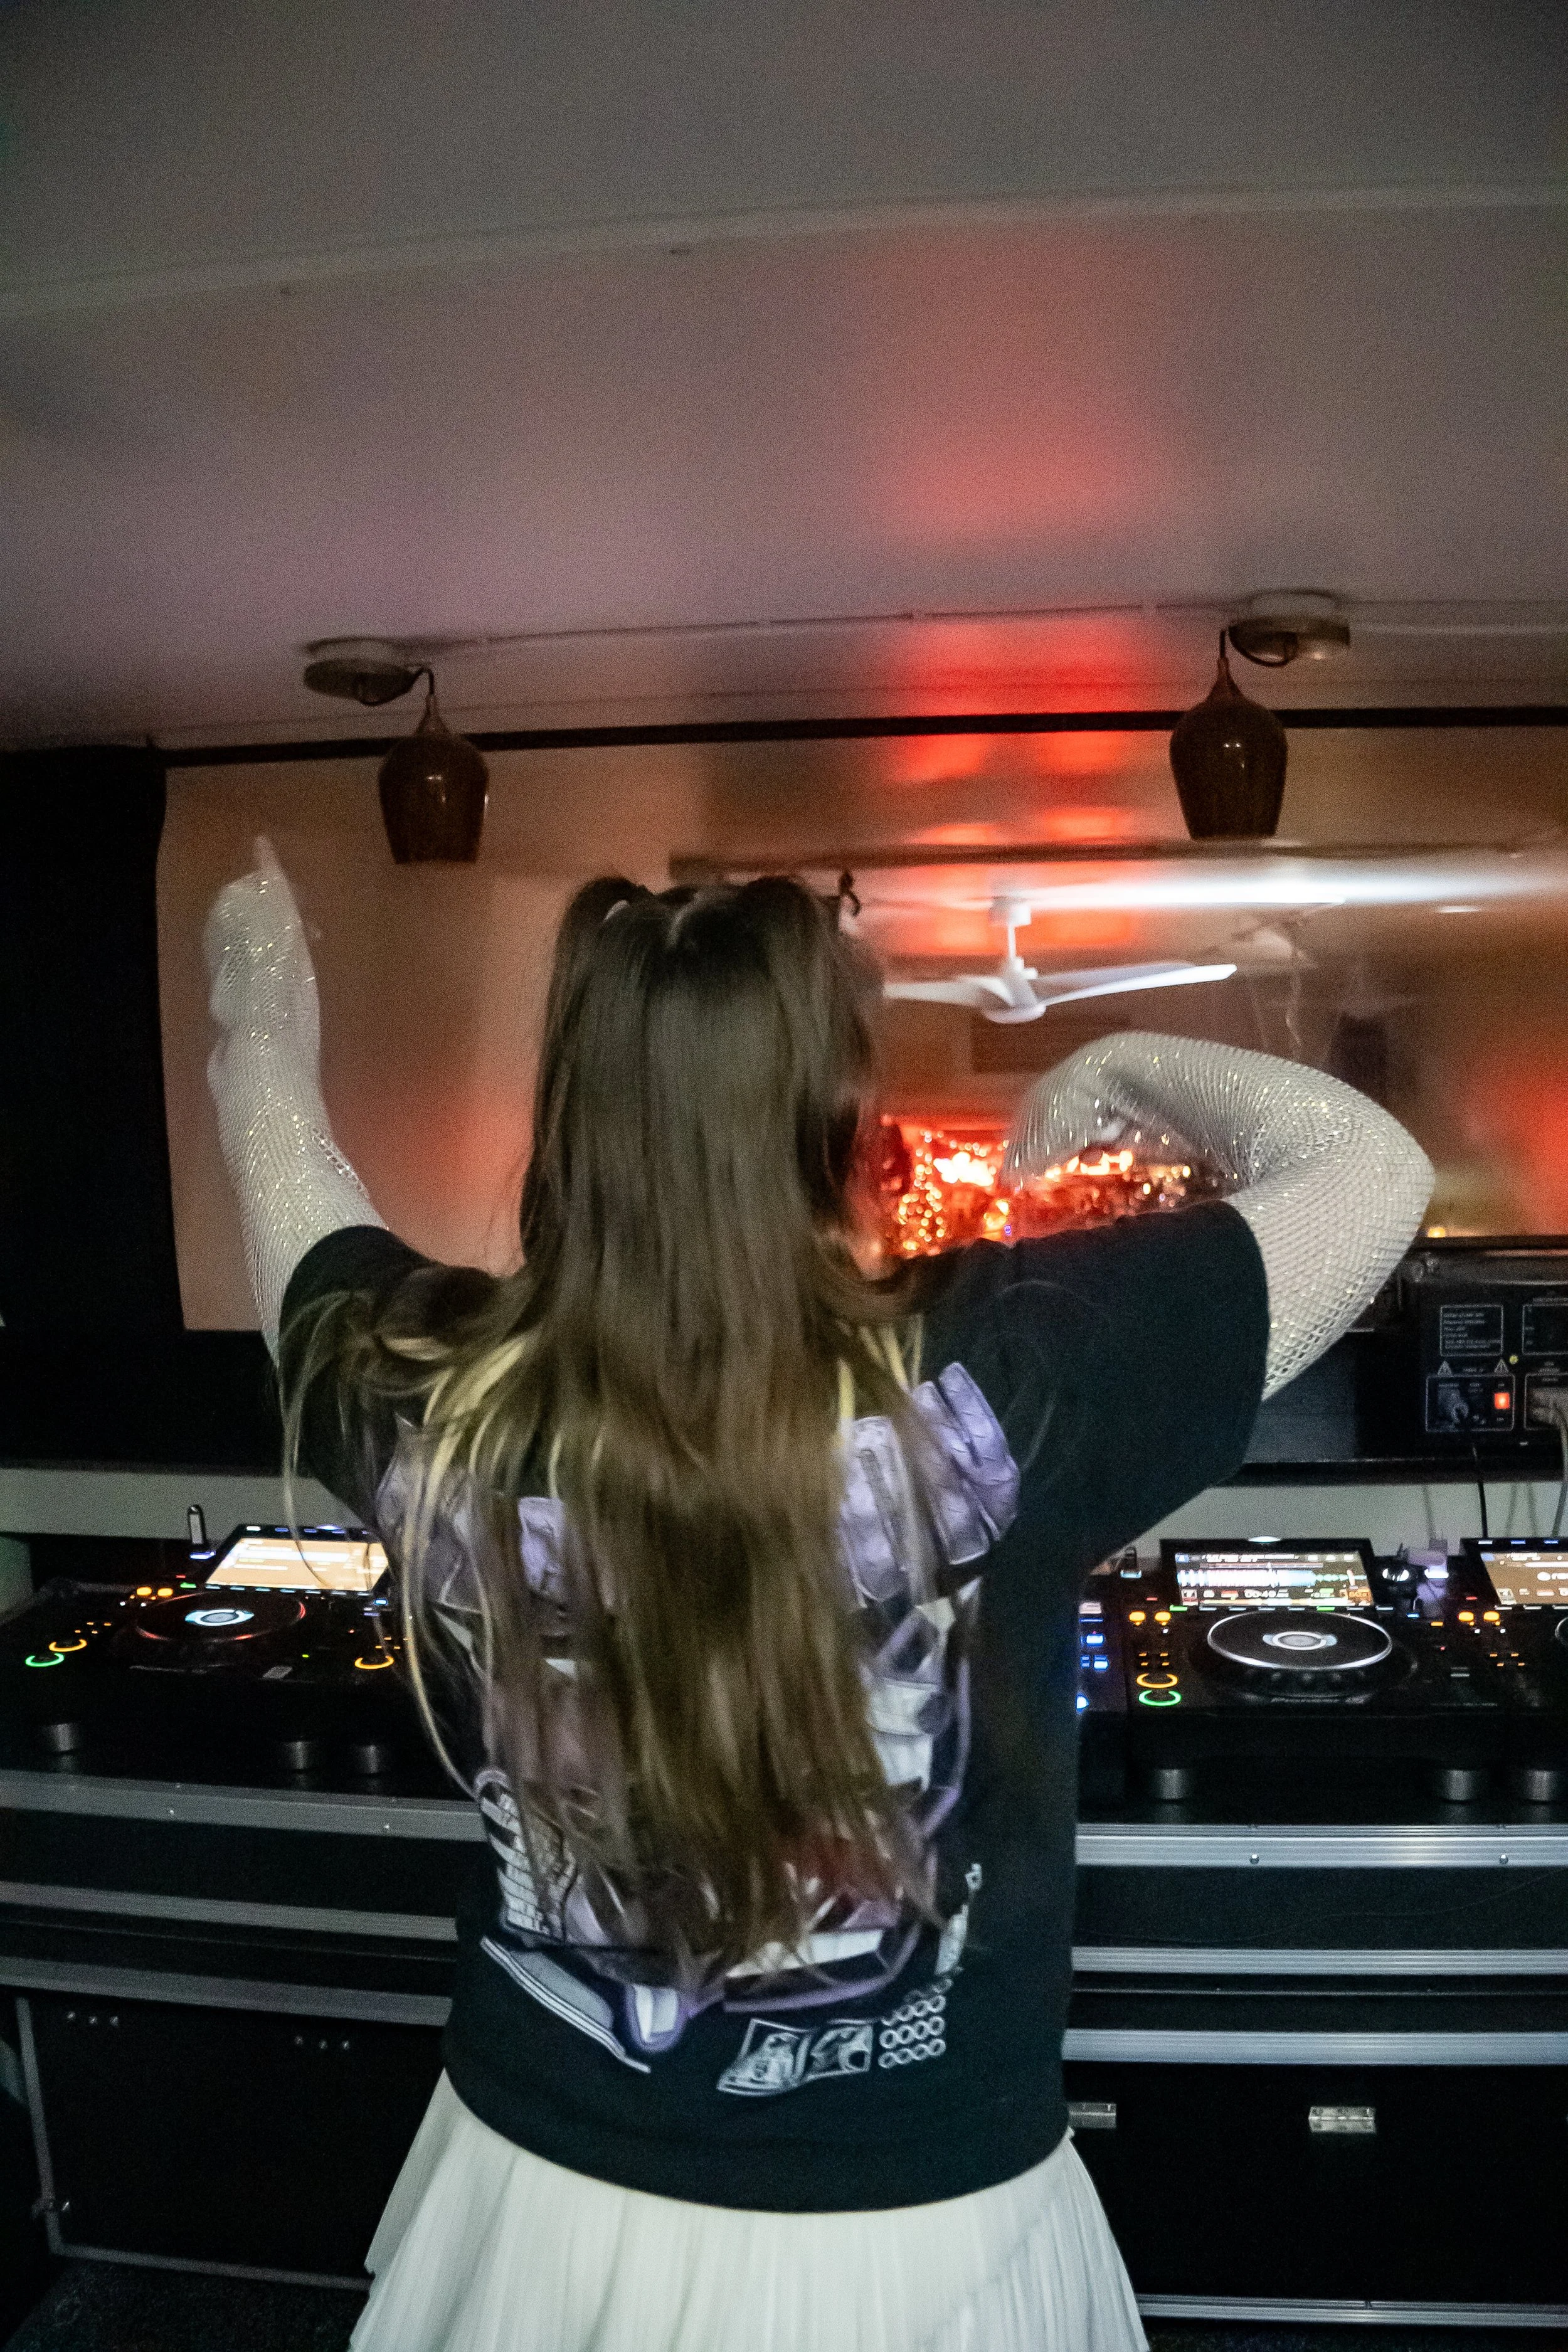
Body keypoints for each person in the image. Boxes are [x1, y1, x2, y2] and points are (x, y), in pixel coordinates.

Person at [206, 843, 1433, 2352]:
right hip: (922, 2228)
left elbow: (277, 1152)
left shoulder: (423, 1396)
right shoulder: (1021, 1369)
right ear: (838, 1118)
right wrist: (1112, 1067)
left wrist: (256, 995)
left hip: (538, 2187)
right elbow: (1374, 1175)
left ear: (573, 1122)